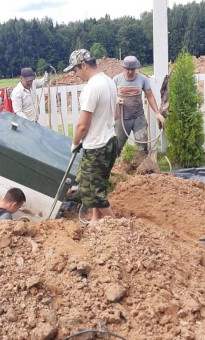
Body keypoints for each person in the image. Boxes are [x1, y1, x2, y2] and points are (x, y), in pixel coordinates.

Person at [65, 49, 118, 221]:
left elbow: (82, 124)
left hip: (97, 147)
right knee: (99, 187)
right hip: (110, 141)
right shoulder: (108, 81)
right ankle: (95, 222)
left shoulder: (92, 87)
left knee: (91, 193)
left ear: (84, 65)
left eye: (75, 70)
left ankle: (118, 227)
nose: (75, 74)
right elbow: (115, 114)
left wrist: (75, 142)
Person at [113, 55, 165, 155]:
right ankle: (116, 167)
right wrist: (116, 99)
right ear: (123, 68)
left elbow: (150, 96)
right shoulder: (116, 80)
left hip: (138, 119)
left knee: (142, 146)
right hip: (122, 120)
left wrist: (157, 113)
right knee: (117, 147)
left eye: (132, 69)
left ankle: (142, 167)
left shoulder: (142, 79)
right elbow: (109, 96)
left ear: (136, 68)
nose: (130, 72)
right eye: (128, 69)